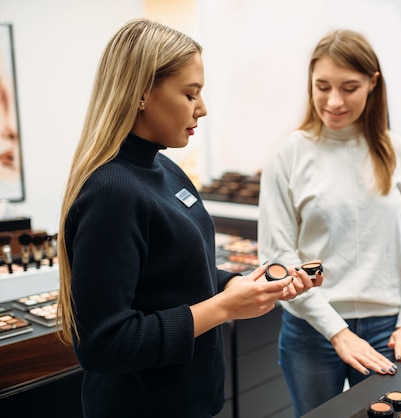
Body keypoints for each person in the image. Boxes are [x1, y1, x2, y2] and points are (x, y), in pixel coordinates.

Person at [56, 18, 319, 418]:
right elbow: (104, 343)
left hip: (194, 400)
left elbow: (177, 274)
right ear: (142, 93)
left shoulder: (166, 170)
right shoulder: (111, 191)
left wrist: (246, 285)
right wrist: (225, 308)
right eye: (190, 93)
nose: (204, 108)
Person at [257, 29, 401, 417]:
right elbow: (278, 256)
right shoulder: (289, 154)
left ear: (373, 83)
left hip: (389, 328)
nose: (334, 101)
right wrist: (337, 331)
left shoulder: (399, 152)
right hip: (310, 328)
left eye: (349, 87)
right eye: (322, 86)